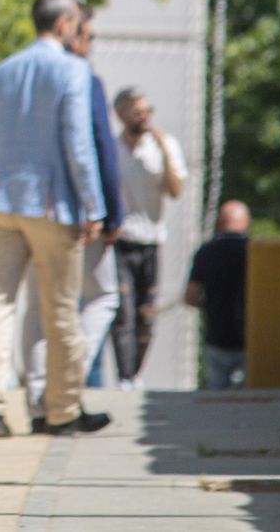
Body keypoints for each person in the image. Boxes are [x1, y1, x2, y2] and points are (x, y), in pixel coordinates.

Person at [0, 0, 110, 439]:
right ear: (67, 23)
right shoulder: (73, 69)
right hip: (51, 203)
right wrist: (95, 206)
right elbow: (78, 144)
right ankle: (62, 408)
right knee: (61, 309)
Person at [19, 1, 124, 428]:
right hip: (73, 211)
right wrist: (108, 212)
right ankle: (67, 390)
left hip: (24, 206)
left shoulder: (21, 77)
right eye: (88, 34)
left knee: (36, 307)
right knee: (98, 298)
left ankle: (40, 399)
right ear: (69, 30)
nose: (89, 44)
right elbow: (98, 147)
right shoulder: (80, 76)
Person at [110, 87, 188, 388]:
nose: (144, 117)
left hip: (151, 240)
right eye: (136, 112)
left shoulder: (162, 146)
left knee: (145, 314)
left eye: (147, 111)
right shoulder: (113, 148)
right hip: (121, 240)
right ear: (122, 115)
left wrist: (164, 151)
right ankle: (124, 376)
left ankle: (136, 372)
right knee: (122, 310)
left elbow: (175, 190)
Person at [187, 200, 251, 389]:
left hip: (216, 335)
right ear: (247, 222)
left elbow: (190, 296)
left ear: (219, 222)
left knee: (216, 395)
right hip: (250, 337)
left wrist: (210, 304)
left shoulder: (206, 252)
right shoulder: (255, 252)